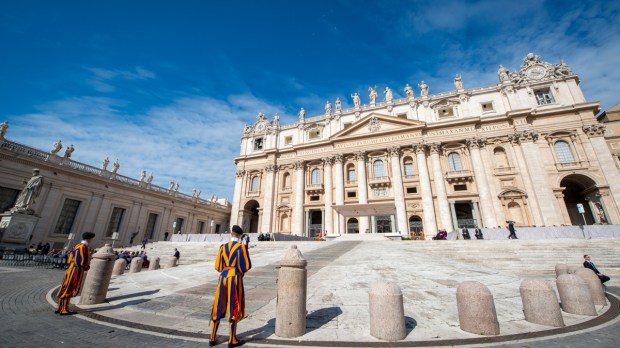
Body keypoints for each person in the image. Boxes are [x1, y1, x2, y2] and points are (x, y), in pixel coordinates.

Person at [209, 225, 252, 348]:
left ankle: (212, 338)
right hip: (234, 278)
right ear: (239, 235)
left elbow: (217, 266)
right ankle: (232, 339)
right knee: (234, 305)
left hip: (222, 277)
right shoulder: (241, 247)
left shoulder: (223, 247)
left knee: (218, 304)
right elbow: (246, 266)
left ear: (231, 234)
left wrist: (225, 270)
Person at [55, 232, 95, 315]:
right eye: (91, 238)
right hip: (76, 270)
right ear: (89, 239)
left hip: (71, 268)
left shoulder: (77, 246)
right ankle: (64, 309)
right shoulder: (83, 247)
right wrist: (86, 266)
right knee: (70, 287)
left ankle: (59, 307)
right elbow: (81, 261)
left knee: (65, 286)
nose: (92, 240)